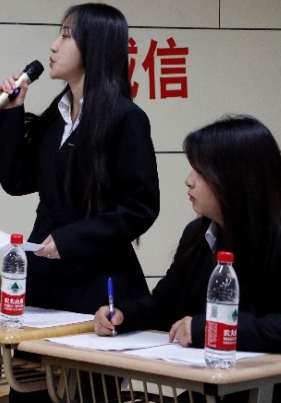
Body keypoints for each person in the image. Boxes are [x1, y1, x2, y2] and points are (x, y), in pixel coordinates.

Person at [0, 2, 160, 402]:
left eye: (66, 35)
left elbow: (140, 206)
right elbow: (17, 181)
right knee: (29, 391)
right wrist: (11, 114)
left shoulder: (125, 118)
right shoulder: (57, 117)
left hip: (95, 283)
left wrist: (71, 238)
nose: (53, 45)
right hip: (45, 281)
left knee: (88, 394)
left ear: (94, 46)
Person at [94, 115, 281, 402]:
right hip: (218, 388)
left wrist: (208, 329)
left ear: (236, 178)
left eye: (200, 171)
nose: (189, 180)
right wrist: (122, 315)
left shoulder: (275, 238)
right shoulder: (198, 234)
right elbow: (165, 303)